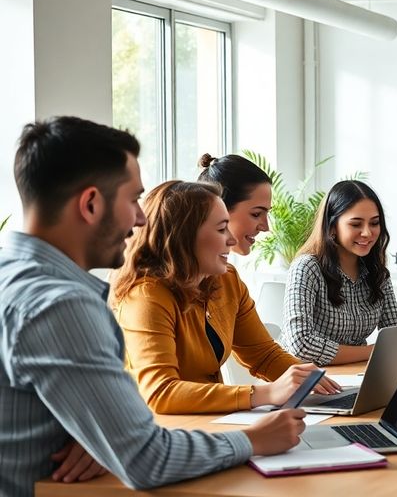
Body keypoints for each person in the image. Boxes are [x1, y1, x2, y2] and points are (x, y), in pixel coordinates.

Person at [0, 116, 305, 496]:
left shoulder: (13, 277)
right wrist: (255, 440)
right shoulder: (60, 306)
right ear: (91, 204)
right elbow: (147, 459)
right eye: (133, 200)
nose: (143, 218)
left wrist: (101, 436)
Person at [110, 180, 341, 415]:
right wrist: (264, 394)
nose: (231, 239)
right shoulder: (146, 297)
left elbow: (263, 355)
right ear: (185, 236)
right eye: (221, 229)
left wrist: (316, 381)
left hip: (211, 422)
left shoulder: (226, 279)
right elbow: (161, 393)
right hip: (160, 430)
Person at [282, 180, 397, 365]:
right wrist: (368, 352)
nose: (367, 233)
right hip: (312, 378)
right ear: (332, 228)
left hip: (358, 373)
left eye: (374, 223)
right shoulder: (307, 267)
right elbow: (301, 344)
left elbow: (396, 336)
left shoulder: (378, 272)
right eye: (356, 224)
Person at [197, 153, 272, 257]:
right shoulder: (176, 271)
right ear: (220, 209)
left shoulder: (229, 272)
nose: (265, 227)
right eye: (256, 214)